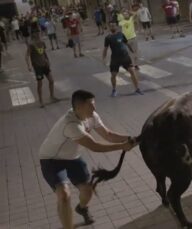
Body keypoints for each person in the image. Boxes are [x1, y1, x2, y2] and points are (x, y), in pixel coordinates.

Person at [39, 89, 137, 229]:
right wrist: (122, 146)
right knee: (64, 195)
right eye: (90, 105)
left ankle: (82, 208)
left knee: (88, 191)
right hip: (51, 160)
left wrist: (130, 139)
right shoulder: (71, 124)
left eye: (94, 104)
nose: (94, 108)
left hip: (72, 158)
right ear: (78, 107)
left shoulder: (92, 115)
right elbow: (95, 146)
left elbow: (108, 135)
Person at [103, 22, 143, 97]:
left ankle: (137, 89)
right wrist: (104, 58)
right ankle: (114, 90)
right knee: (113, 75)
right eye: (111, 26)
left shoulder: (121, 34)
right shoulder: (108, 38)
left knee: (132, 72)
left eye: (113, 26)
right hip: (115, 58)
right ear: (109, 28)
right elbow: (105, 49)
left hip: (125, 57)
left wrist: (132, 51)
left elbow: (127, 43)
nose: (112, 27)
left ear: (116, 27)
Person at [25, 32, 58, 108]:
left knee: (51, 80)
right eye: (37, 35)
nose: (39, 36)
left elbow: (44, 52)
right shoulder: (31, 45)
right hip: (37, 66)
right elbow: (26, 56)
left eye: (39, 35)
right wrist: (28, 66)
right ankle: (41, 101)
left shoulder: (42, 43)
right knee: (40, 84)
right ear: (34, 37)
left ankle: (52, 97)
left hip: (44, 64)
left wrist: (47, 60)